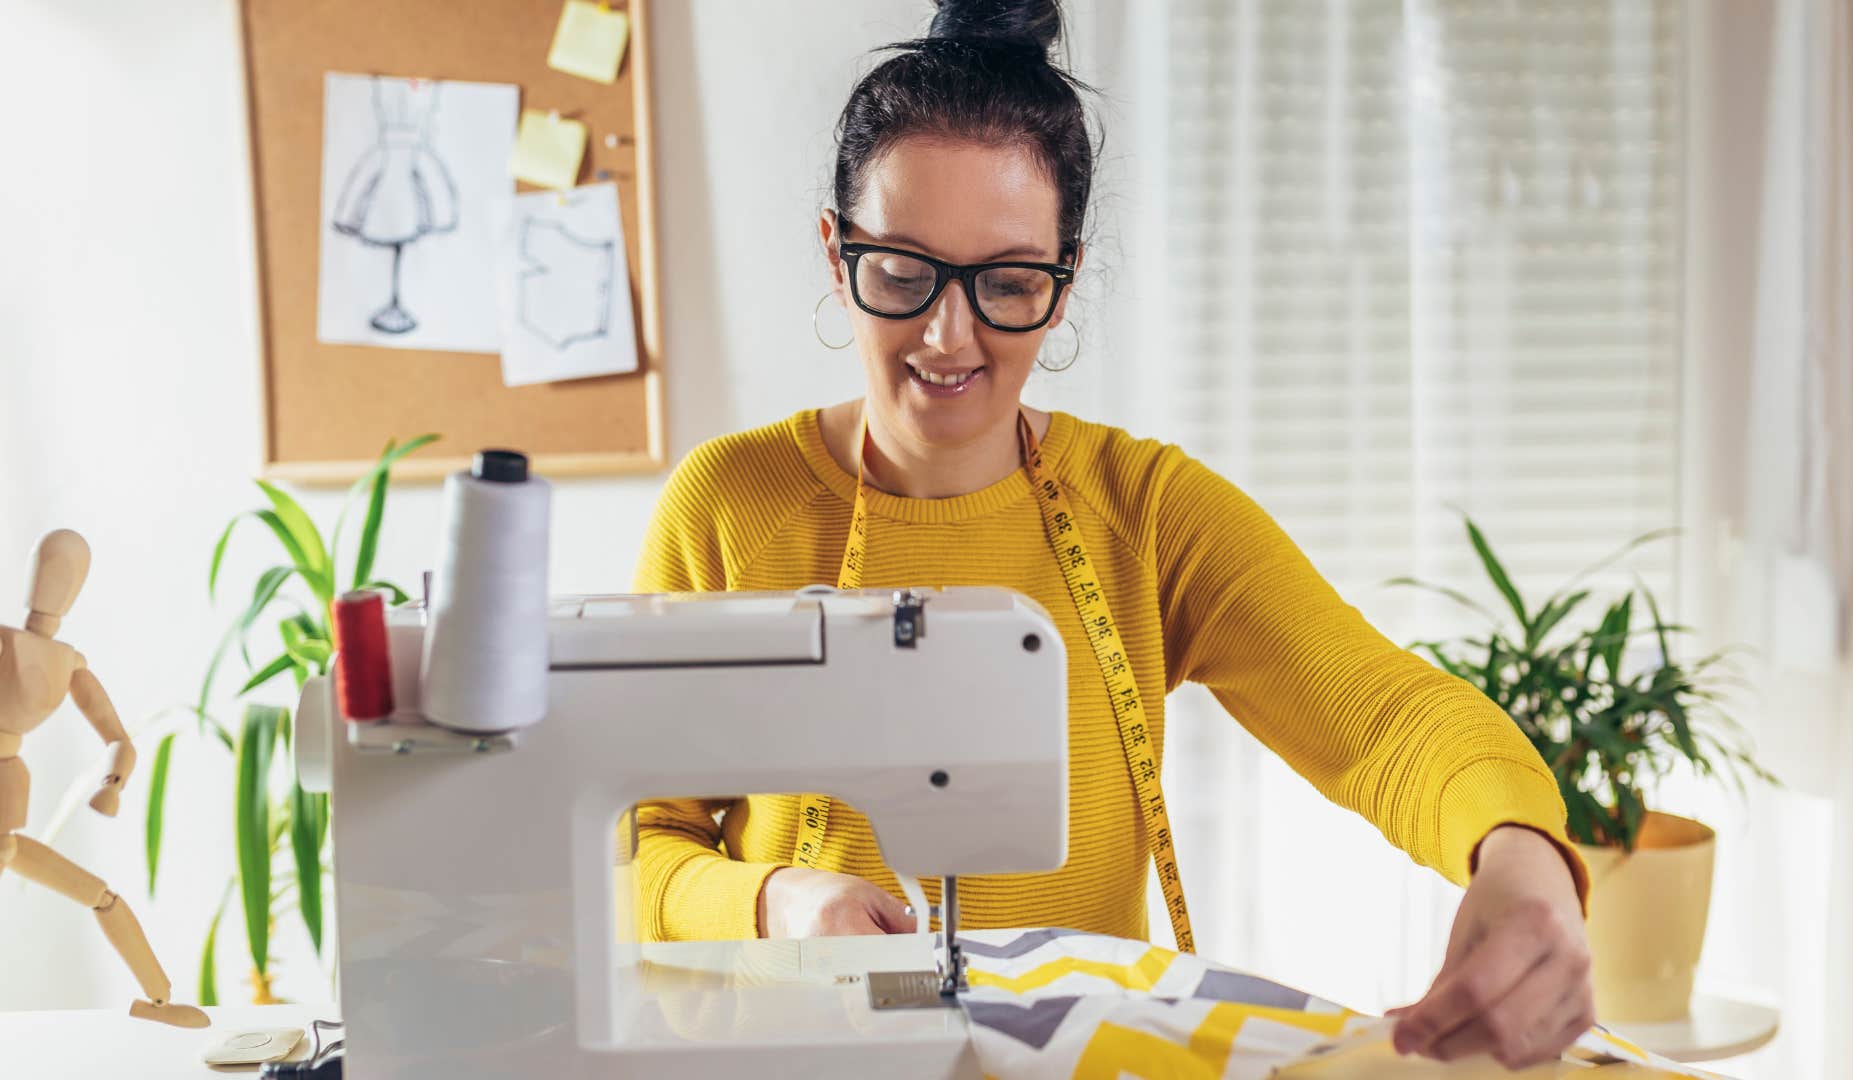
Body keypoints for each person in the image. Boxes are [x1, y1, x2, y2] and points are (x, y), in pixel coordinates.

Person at [628, 0, 1595, 1069]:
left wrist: (1521, 856)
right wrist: (772, 900)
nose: (950, 336)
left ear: (1064, 282)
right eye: (903, 273)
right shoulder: (727, 507)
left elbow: (1382, 716)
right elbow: (634, 845)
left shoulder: (1146, 513)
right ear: (835, 249)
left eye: (1006, 283)